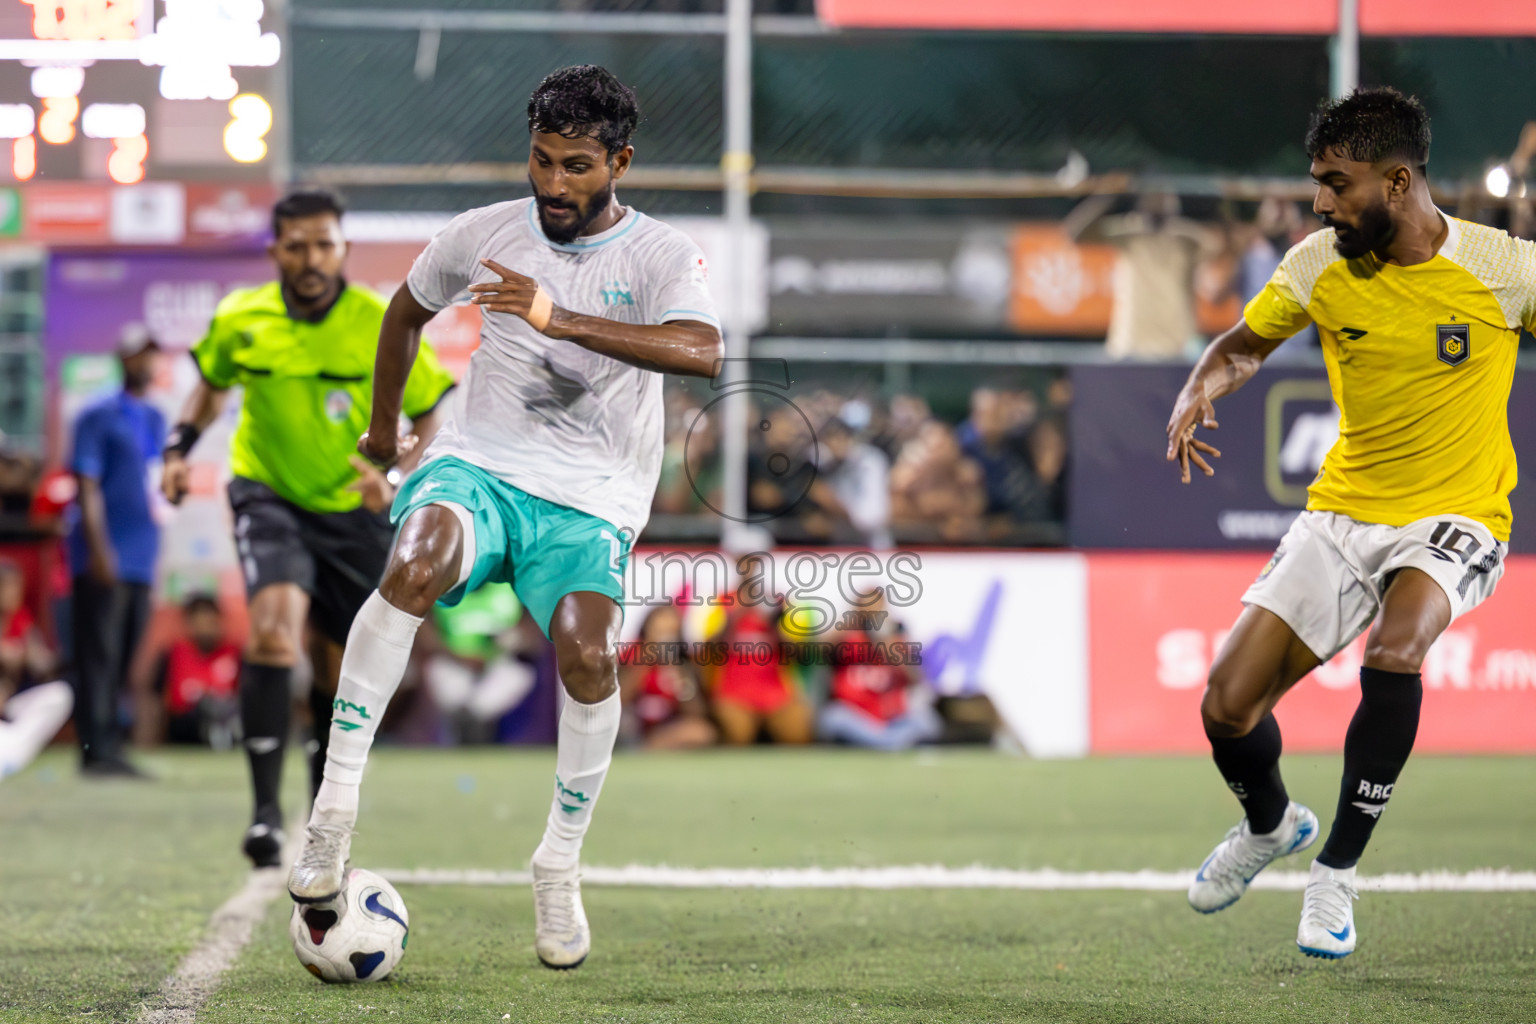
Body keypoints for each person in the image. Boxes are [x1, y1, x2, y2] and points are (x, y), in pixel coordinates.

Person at [284, 65, 723, 972]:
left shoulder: (659, 255)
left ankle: (557, 864)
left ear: (619, 164)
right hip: (479, 466)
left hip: (591, 498)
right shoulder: (482, 233)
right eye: (541, 161)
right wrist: (382, 430)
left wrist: (558, 318)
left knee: (589, 654)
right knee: (415, 559)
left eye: (575, 167)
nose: (554, 184)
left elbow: (702, 351)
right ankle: (331, 818)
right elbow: (403, 315)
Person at [1166, 88, 1536, 960]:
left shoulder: (1505, 269)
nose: (1321, 203)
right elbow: (1244, 346)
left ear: (1399, 181)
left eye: (1338, 184)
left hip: (1456, 514)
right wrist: (1198, 389)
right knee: (1226, 706)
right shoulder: (1317, 265)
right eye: (1317, 185)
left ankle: (1335, 873)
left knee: (1396, 648)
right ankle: (1269, 825)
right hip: (1341, 514)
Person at [162, 189, 456, 867]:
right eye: (296, 245)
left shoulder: (379, 321)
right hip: (267, 494)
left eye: (324, 243)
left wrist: (399, 473)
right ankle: (265, 816)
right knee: (270, 630)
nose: (311, 257)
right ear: (275, 252)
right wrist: (178, 448)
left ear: (343, 248)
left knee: (334, 665)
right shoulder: (242, 318)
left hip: (354, 510)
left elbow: (433, 413)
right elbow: (210, 384)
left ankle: (324, 814)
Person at [69, 324, 163, 778]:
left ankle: (110, 743)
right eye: (138, 355)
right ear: (123, 360)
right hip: (105, 555)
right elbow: (86, 487)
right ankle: (95, 748)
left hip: (142, 556)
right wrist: (99, 550)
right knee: (97, 654)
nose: (146, 362)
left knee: (124, 653)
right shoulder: (97, 414)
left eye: (151, 355)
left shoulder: (156, 418)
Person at [1065, 190, 1222, 359]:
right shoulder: (1130, 232)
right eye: (1151, 195)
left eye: (1163, 197)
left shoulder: (1185, 240)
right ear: (1141, 205)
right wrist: (1108, 194)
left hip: (1176, 348)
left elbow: (1215, 246)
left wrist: (1171, 224)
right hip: (1131, 345)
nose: (1157, 201)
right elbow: (1076, 233)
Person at [619, 604, 716, 750]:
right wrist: (643, 664)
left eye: (670, 634)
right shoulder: (632, 655)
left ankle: (648, 749)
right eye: (659, 632)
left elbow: (696, 714)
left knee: (701, 732)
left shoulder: (682, 662)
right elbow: (620, 700)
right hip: (633, 725)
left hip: (665, 727)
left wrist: (680, 680)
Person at [152, 594, 241, 748]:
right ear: (189, 624)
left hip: (227, 719)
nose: (205, 629)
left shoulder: (234, 653)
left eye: (210, 622)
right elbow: (159, 697)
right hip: (187, 725)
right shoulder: (176, 653)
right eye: (199, 623)